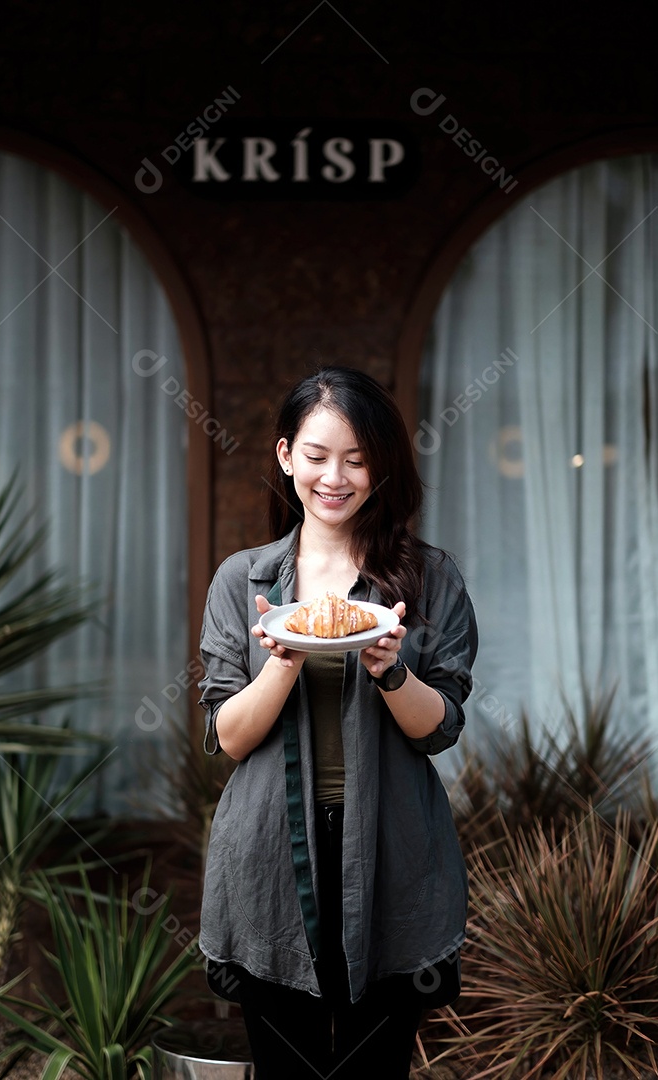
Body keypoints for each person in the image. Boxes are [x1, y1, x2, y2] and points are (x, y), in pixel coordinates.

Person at [197, 366, 478, 1079]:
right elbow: (229, 736)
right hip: (268, 854)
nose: (336, 477)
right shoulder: (246, 582)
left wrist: (391, 669)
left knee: (372, 1069)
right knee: (286, 1067)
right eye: (318, 456)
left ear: (381, 465)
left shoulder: (425, 579)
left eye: (357, 459)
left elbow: (438, 727)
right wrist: (284, 660)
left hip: (391, 849)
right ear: (286, 456)